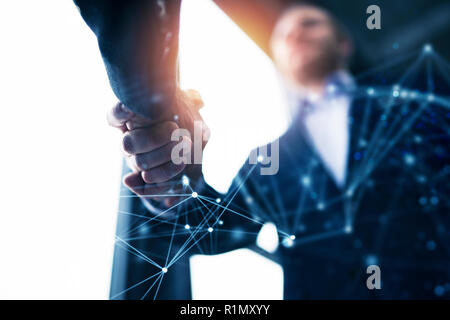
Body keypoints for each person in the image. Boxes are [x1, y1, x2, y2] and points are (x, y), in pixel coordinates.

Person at [107, 4, 450, 299]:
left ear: (343, 43)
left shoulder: (411, 102)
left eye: (309, 23)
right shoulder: (268, 158)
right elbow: (219, 233)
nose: (293, 35)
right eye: (282, 35)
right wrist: (178, 184)